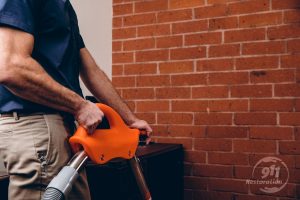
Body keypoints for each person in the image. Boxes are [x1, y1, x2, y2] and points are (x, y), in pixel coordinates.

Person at [0, 0, 152, 199]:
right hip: (37, 127)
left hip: (63, 128)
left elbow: (90, 69)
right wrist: (80, 105)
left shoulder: (62, 6)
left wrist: (129, 119)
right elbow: (12, 67)